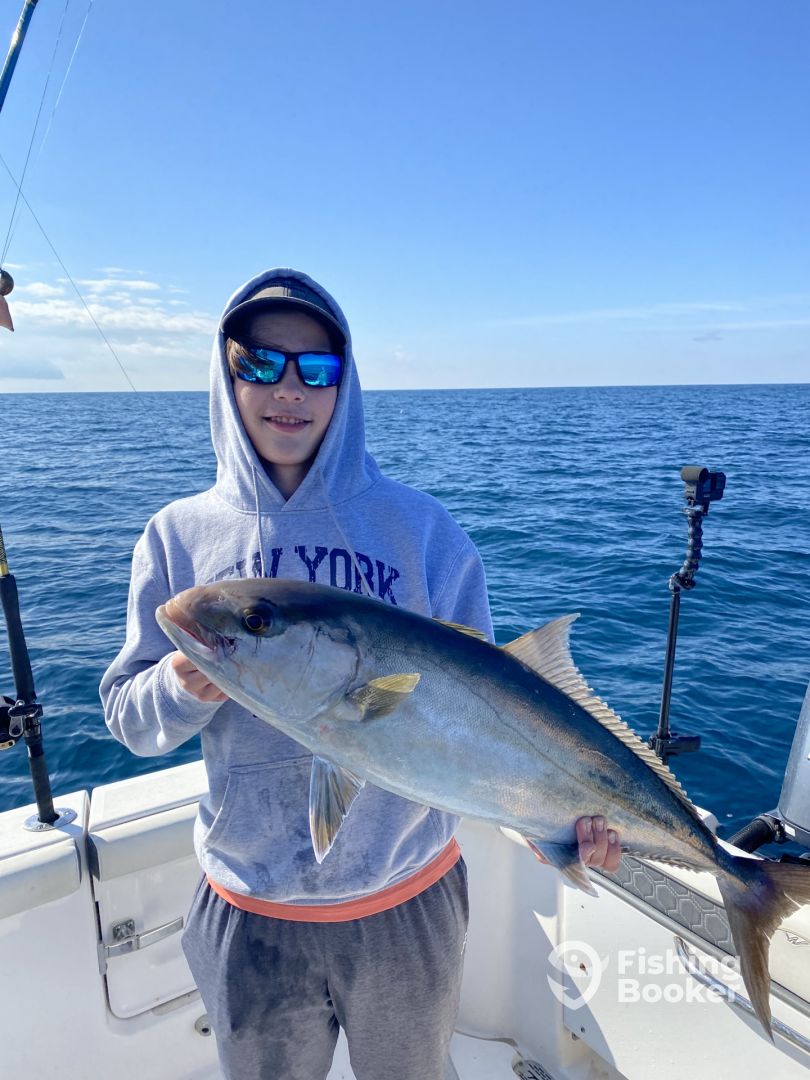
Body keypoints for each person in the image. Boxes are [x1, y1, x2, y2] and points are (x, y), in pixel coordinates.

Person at [100, 269, 621, 1080]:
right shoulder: (177, 537)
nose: (290, 389)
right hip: (249, 906)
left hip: (408, 902)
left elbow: (490, 719)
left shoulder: (422, 530)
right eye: (260, 363)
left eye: (317, 368)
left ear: (345, 382)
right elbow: (129, 719)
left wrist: (561, 822)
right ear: (225, 371)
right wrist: (178, 685)